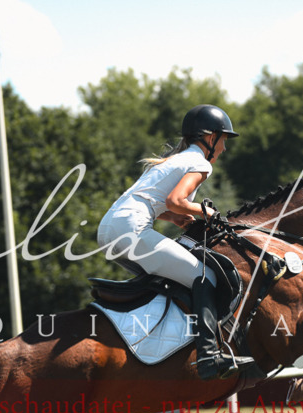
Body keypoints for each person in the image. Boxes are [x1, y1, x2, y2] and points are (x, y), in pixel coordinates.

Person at [98, 104, 252, 380]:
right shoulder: (199, 163)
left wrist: (178, 219)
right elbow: (176, 201)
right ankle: (208, 355)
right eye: (223, 141)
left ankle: (155, 339)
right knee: (203, 277)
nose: (224, 149)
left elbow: (162, 205)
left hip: (109, 229)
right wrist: (208, 212)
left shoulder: (174, 160)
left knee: (166, 281)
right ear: (210, 138)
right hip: (131, 228)